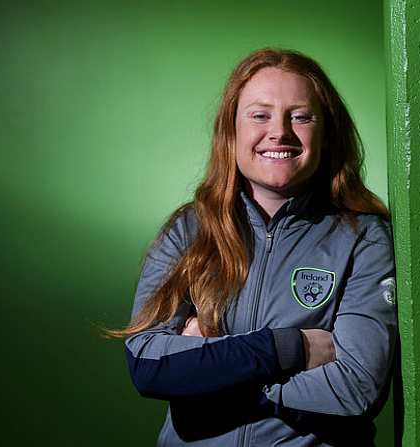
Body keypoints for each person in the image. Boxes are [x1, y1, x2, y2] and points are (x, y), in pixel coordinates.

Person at [108, 48, 397, 446]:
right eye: (260, 115)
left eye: (301, 116)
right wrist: (284, 348)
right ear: (232, 131)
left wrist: (207, 369)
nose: (279, 132)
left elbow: (357, 386)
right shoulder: (188, 230)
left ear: (327, 131)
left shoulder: (363, 237)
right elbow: (147, 365)